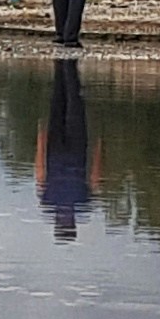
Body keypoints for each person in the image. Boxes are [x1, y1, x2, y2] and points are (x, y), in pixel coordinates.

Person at [34, 60, 95, 239]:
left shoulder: (82, 204)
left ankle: (67, 66)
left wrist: (98, 149)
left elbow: (94, 177)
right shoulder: (48, 203)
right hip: (56, 153)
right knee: (59, 104)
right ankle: (62, 66)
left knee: (74, 102)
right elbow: (39, 173)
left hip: (75, 153)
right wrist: (40, 141)